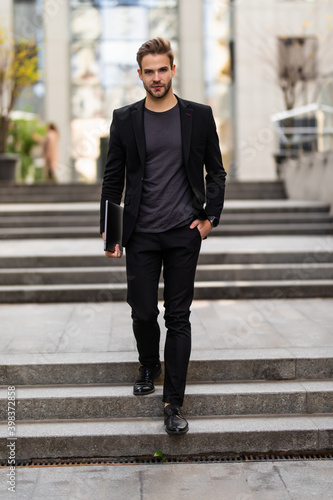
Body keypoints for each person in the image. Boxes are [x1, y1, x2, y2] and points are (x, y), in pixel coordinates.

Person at [100, 38, 226, 435]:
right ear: (140, 75)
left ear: (173, 70)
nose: (156, 77)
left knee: (178, 316)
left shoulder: (199, 116)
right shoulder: (125, 119)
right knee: (141, 311)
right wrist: (112, 233)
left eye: (162, 69)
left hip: (183, 232)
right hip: (140, 233)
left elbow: (216, 172)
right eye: (148, 71)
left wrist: (210, 220)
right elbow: (113, 179)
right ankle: (148, 364)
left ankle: (173, 403)